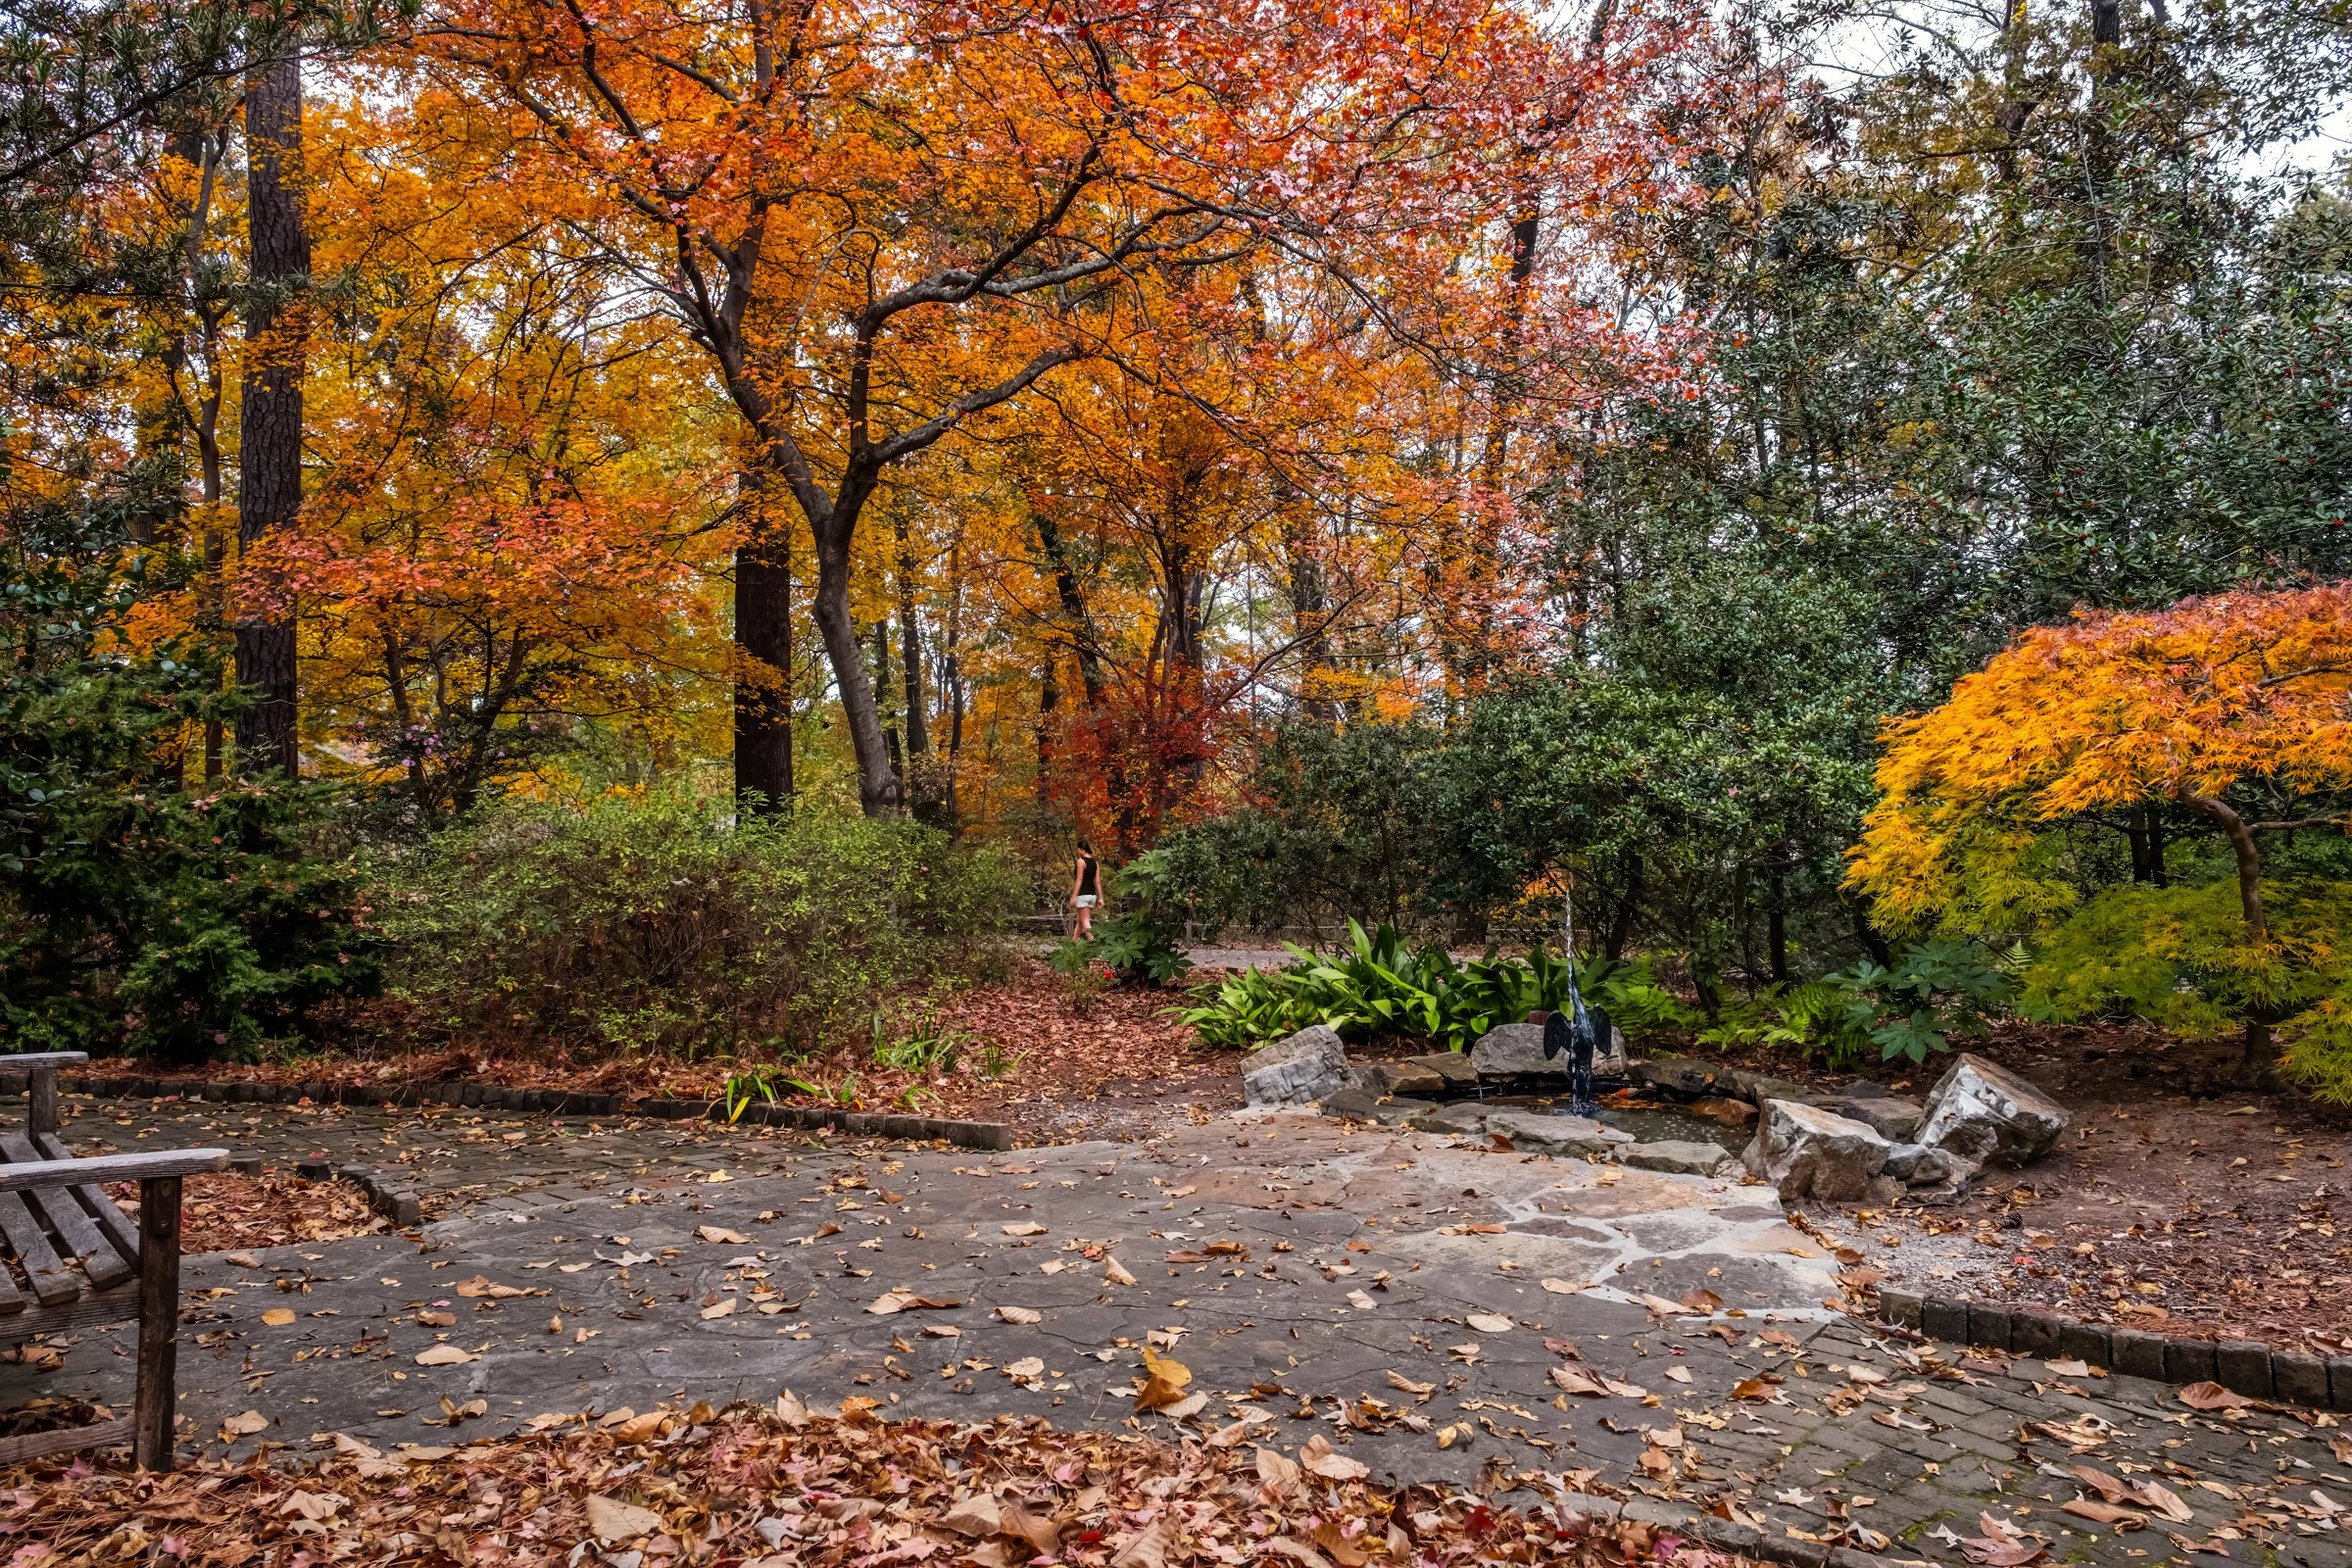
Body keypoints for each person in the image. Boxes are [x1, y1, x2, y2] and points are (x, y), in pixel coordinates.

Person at [1070, 840, 1101, 938]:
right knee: (1080, 921)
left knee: (1086, 922)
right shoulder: (1095, 863)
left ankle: (1094, 946)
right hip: (1092, 896)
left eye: (1078, 849)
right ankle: (1072, 945)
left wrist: (1074, 897)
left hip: (1082, 895)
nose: (1077, 851)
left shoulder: (1080, 861)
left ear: (1083, 849)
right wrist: (1100, 898)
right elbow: (1097, 881)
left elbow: (1079, 880)